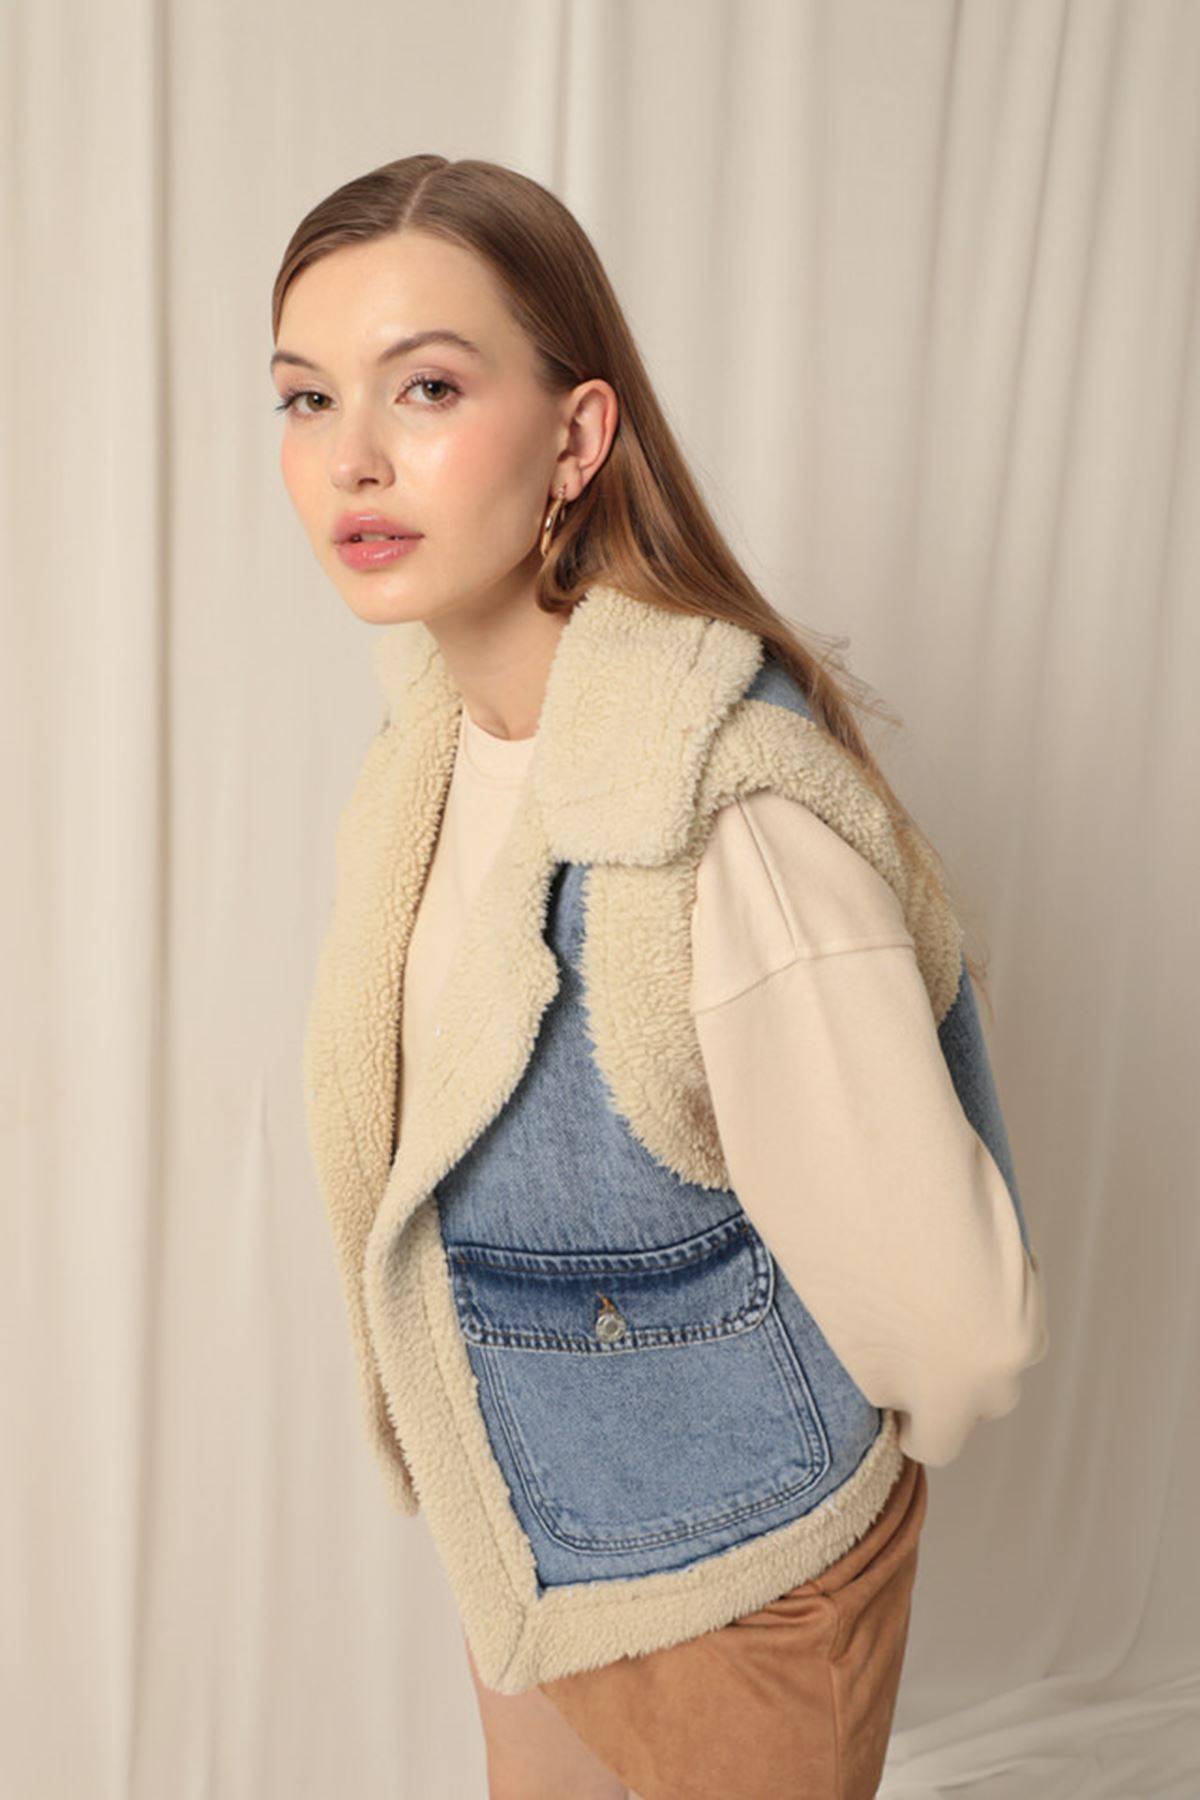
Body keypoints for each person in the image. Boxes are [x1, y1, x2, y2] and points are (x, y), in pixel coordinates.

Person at [275, 154, 1048, 1800]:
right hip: (531, 1556)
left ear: (576, 439)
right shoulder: (430, 762)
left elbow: (962, 1331)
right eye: (307, 396)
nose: (352, 458)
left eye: (427, 387)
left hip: (743, 1593)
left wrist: (765, 1476)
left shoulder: (717, 820)